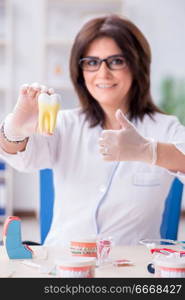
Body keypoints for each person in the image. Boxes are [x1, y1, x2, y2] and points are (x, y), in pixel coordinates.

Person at [0, 14, 185, 247]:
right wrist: (14, 129)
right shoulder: (63, 124)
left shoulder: (164, 127)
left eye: (116, 61)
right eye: (91, 62)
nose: (103, 73)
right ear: (81, 72)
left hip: (131, 269)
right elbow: (21, 159)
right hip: (64, 263)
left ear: (137, 65)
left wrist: (148, 151)